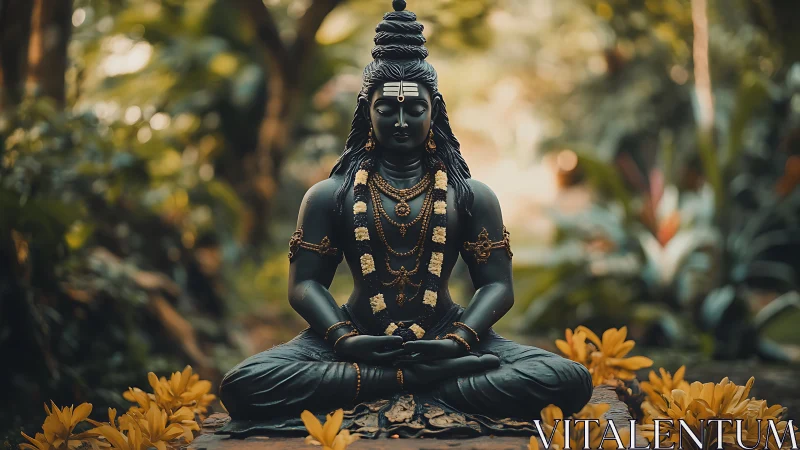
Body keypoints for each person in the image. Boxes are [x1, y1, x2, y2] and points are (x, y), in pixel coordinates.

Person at [220, 0, 592, 423]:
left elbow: (497, 287)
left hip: (450, 335)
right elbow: (305, 284)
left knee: (567, 378)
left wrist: (458, 340)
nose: (400, 121)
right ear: (366, 111)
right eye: (386, 108)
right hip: (355, 335)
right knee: (244, 384)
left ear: (435, 112)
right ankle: (426, 380)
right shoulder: (330, 195)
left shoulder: (469, 195)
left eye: (414, 109)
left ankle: (390, 377)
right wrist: (343, 340)